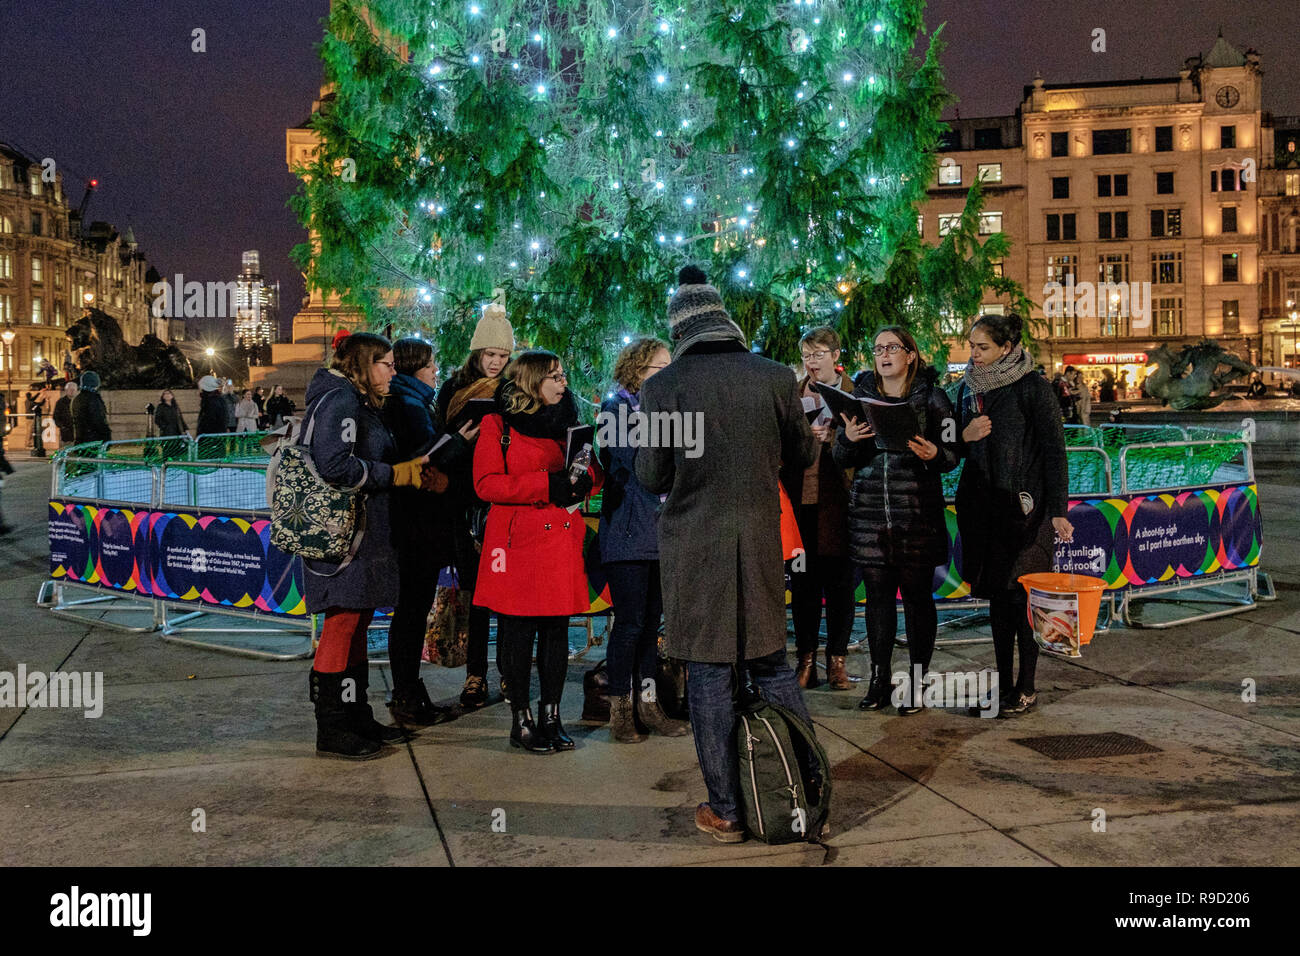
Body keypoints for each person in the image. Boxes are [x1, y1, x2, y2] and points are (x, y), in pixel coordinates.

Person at [636, 265, 816, 843]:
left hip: (695, 549)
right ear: (725, 319)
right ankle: (804, 794)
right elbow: (804, 453)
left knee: (709, 672)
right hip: (761, 543)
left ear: (681, 328)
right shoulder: (772, 377)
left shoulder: (664, 388)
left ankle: (728, 810)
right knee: (772, 664)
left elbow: (650, 473)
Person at [303, 331, 433, 760]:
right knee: (342, 624)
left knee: (357, 622)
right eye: (386, 364)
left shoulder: (355, 400)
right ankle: (332, 726)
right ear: (362, 364)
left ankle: (356, 714)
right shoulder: (341, 400)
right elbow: (334, 464)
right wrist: (393, 474)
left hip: (363, 533)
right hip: (344, 536)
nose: (393, 371)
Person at [472, 350, 602, 754]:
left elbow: (591, 470)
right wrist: (548, 485)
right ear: (531, 382)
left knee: (556, 631)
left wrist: (586, 481)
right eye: (555, 377)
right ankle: (521, 718)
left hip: (560, 539)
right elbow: (486, 484)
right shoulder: (498, 424)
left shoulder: (571, 424)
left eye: (563, 375)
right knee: (517, 630)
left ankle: (552, 715)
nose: (564, 383)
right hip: (518, 542)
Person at [833, 326, 960, 713]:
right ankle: (878, 679)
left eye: (892, 348)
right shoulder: (860, 395)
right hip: (870, 515)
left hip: (915, 515)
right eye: (877, 349)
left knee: (918, 599)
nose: (884, 355)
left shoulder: (932, 397)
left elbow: (953, 454)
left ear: (910, 354)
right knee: (877, 601)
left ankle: (918, 682)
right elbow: (842, 457)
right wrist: (848, 440)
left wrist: (933, 454)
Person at [955, 313, 1072, 717]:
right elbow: (951, 443)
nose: (975, 355)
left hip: (1027, 512)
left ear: (1006, 348)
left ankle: (1027, 687)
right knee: (998, 600)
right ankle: (1002, 685)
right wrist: (961, 436)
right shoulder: (967, 389)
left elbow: (1055, 451)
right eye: (971, 347)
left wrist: (1058, 511)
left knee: (1023, 598)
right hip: (983, 510)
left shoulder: (1032, 387)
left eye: (982, 348)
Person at [597, 337, 688, 742]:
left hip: (664, 532)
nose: (668, 374)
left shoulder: (670, 411)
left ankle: (650, 705)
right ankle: (620, 707)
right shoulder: (614, 409)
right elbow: (633, 463)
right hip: (629, 530)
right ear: (637, 371)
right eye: (659, 367)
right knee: (630, 624)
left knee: (653, 625)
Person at [383, 336, 475, 726]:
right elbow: (424, 455)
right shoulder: (409, 403)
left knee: (411, 610)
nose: (436, 369)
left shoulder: (413, 399)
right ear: (415, 366)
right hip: (416, 525)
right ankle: (406, 693)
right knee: (411, 611)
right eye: (431, 363)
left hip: (414, 523)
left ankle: (408, 691)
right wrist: (458, 441)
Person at [434, 304, 514, 708]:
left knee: (509, 595)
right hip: (463, 506)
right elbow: (437, 445)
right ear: (476, 353)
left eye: (503, 356)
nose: (496, 363)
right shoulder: (451, 390)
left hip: (502, 504)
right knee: (475, 593)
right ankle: (476, 675)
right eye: (490, 355)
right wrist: (462, 442)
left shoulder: (514, 389)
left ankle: (510, 673)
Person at [779, 326, 856, 691]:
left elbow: (870, 441)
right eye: (807, 355)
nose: (812, 362)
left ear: (836, 357)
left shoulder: (856, 393)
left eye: (819, 354)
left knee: (841, 585)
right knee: (804, 585)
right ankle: (805, 658)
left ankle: (837, 661)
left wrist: (836, 437)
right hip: (801, 503)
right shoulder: (791, 394)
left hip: (840, 504)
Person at [71, 371, 112, 445]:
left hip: (81, 440)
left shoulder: (77, 399)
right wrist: (106, 436)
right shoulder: (93, 399)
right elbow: (98, 420)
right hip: (94, 441)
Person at [26, 390, 47, 457]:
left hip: (28, 418)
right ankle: (28, 443)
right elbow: (39, 404)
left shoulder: (27, 401)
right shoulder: (30, 402)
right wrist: (44, 399)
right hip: (31, 418)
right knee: (30, 431)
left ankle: (29, 443)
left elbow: (33, 399)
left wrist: (39, 393)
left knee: (30, 430)